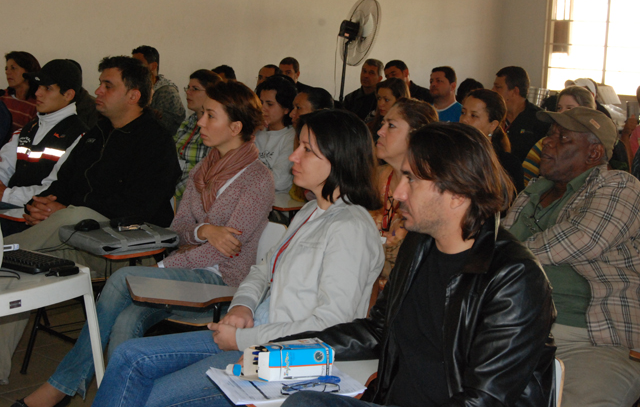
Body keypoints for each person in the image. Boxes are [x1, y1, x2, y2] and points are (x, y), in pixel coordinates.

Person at [90, 109, 385, 407]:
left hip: (287, 359)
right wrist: (243, 305)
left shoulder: (350, 228)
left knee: (148, 397)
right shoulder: (311, 211)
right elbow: (262, 269)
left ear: (341, 159)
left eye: (307, 150)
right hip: (254, 333)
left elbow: (331, 324)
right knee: (129, 356)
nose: (293, 157)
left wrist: (244, 341)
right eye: (298, 146)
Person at [15, 80, 275, 407]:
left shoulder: (257, 179)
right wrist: (205, 230)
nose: (200, 123)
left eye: (210, 116)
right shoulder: (202, 172)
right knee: (125, 319)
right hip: (185, 277)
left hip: (221, 282)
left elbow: (228, 249)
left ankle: (62, 387)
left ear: (235, 126)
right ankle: (118, 398)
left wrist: (164, 266)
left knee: (123, 278)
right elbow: (178, 230)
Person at [279, 122, 556, 407]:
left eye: (410, 179)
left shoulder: (515, 278)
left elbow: (484, 400)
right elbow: (377, 330)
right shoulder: (419, 244)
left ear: (458, 193)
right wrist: (283, 351)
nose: (398, 193)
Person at [504, 107, 640, 407]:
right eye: (549, 134)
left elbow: (582, 239)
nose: (547, 143)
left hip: (592, 339)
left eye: (561, 138)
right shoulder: (532, 191)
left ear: (593, 154)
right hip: (518, 332)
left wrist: (501, 252)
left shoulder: (619, 185)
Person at [4, 56, 179, 272]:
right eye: (100, 83)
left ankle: (4, 252)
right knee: (22, 266)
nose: (98, 91)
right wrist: (38, 206)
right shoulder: (97, 133)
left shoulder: (155, 140)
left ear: (133, 95)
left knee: (74, 216)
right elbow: (64, 181)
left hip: (129, 244)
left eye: (108, 86)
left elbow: (138, 207)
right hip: (81, 239)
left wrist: (65, 209)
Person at [0, 59, 87, 236]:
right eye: (38, 86)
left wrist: (6, 195)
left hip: (34, 225)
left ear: (68, 95)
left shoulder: (79, 136)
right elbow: (3, 167)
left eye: (47, 88)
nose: (38, 93)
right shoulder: (26, 129)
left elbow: (52, 191)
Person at [371, 97, 437, 283]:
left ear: (416, 135)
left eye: (391, 125)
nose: (380, 131)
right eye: (383, 123)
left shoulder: (432, 195)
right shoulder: (372, 179)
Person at [522, 85, 596, 185]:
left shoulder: (594, 146)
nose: (561, 113)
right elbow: (525, 179)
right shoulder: (544, 144)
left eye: (569, 108)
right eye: (559, 108)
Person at [460, 89, 524, 191]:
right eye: (463, 112)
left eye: (474, 115)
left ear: (493, 125)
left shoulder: (508, 165)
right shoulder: (453, 156)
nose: (464, 120)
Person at [174, 69, 222, 203]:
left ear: (211, 94)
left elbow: (208, 174)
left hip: (195, 197)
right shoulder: (188, 122)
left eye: (195, 89)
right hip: (172, 191)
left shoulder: (217, 129)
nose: (188, 92)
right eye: (188, 88)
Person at [492, 66, 547, 162]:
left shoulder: (540, 119)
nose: (493, 90)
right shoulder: (492, 116)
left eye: (498, 87)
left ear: (515, 91)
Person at [254, 75, 297, 194]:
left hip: (276, 203)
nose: (262, 109)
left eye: (270, 104)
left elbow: (278, 181)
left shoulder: (291, 137)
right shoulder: (255, 131)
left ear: (286, 109)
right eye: (261, 102)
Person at [132, 45, 185, 135]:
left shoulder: (167, 92)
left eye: (138, 63)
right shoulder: (136, 87)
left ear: (153, 66)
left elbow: (164, 128)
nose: (133, 68)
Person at [1, 51, 40, 143]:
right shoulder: (3, 97)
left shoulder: (37, 104)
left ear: (28, 71)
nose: (7, 72)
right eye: (6, 68)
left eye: (13, 68)